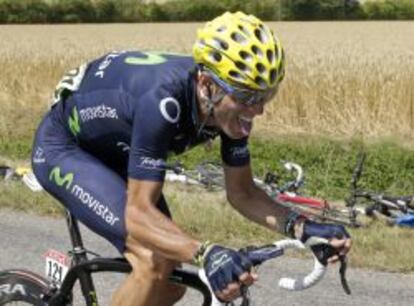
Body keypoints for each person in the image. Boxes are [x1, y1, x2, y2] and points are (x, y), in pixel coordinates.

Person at [31, 11, 351, 306]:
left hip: (119, 147)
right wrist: (207, 253)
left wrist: (302, 227)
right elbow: (140, 214)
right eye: (249, 97)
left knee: (171, 283)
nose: (258, 110)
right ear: (207, 84)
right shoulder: (162, 102)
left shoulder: (227, 110)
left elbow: (242, 193)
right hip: (66, 148)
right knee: (154, 263)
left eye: (266, 96)